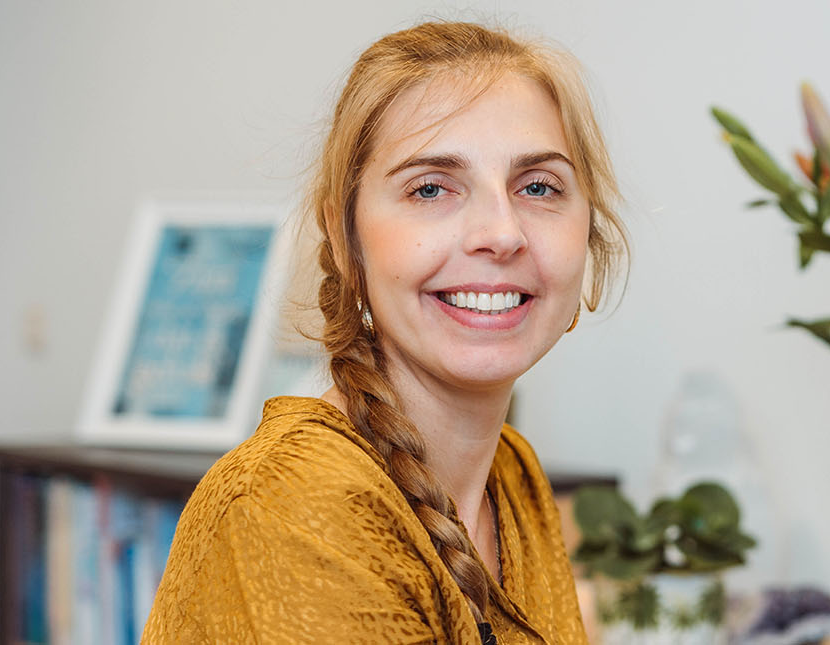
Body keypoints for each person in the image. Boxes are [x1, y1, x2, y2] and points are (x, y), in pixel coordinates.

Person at [143, 20, 628, 644]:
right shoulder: (293, 505)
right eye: (430, 188)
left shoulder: (517, 481)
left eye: (538, 186)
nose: (502, 233)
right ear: (346, 240)